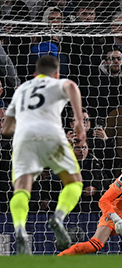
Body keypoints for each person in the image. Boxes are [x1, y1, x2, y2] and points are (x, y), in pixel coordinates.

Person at [2, 56, 86, 255]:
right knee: (74, 182)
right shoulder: (57, 83)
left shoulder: (21, 89)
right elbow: (72, 87)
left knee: (22, 188)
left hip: (23, 139)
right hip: (52, 135)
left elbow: (6, 129)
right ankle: (58, 217)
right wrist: (79, 122)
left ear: (34, 74)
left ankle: (20, 230)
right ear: (56, 73)